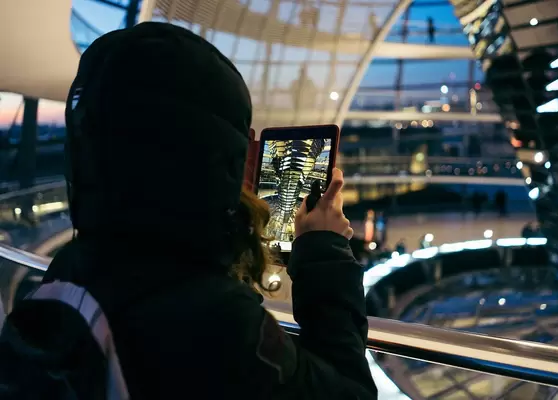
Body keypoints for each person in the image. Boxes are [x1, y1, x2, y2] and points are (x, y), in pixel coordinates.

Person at [42, 22, 376, 399]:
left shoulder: (66, 274)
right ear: (217, 162)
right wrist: (323, 251)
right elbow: (350, 393)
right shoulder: (216, 321)